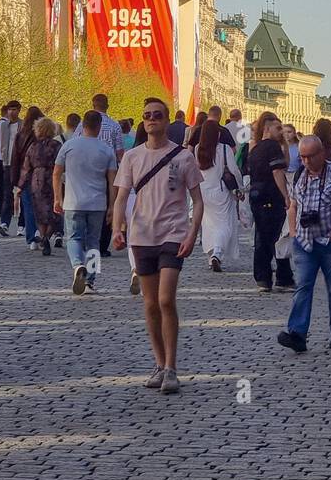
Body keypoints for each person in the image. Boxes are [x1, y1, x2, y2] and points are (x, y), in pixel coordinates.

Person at [111, 97, 205, 394]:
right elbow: (121, 197)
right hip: (141, 236)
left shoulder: (183, 157)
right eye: (147, 115)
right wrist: (117, 229)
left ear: (166, 121)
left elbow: (198, 201)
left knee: (166, 299)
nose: (152, 119)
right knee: (150, 304)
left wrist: (192, 234)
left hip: (173, 233)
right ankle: (159, 362)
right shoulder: (132, 157)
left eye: (157, 115)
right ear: (143, 121)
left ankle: (172, 367)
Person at [278, 135, 331, 352]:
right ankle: (297, 333)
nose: (306, 162)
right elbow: (294, 205)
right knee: (303, 287)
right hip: (305, 243)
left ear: (322, 153)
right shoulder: (300, 175)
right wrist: (294, 232)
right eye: (303, 157)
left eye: (310, 157)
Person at [53, 109, 117, 295]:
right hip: (97, 203)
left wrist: (58, 197)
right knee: (93, 242)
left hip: (73, 201)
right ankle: (90, 281)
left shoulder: (69, 146)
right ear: (99, 126)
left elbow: (56, 172)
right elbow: (112, 180)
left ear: (83, 125)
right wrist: (113, 205)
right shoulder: (106, 149)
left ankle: (77, 265)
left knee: (73, 238)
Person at [246, 112, 294, 293]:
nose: (281, 131)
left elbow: (284, 165)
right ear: (267, 128)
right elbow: (278, 172)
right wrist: (286, 196)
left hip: (256, 194)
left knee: (263, 235)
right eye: (278, 128)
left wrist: (286, 146)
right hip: (271, 194)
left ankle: (263, 278)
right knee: (277, 238)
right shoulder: (272, 147)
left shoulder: (256, 148)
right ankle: (283, 277)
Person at [195, 118, 241, 273]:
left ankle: (210, 256)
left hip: (203, 191)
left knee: (208, 224)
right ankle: (217, 253)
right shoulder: (224, 149)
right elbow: (233, 170)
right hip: (221, 191)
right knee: (224, 224)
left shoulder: (197, 149)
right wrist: (239, 187)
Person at [17, 117, 61, 256]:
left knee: (40, 213)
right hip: (53, 178)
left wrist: (20, 186)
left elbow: (26, 168)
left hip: (36, 180)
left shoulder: (33, 146)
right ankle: (47, 237)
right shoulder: (56, 145)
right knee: (55, 212)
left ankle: (43, 237)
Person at [11, 106, 44, 246]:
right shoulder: (44, 135)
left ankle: (31, 238)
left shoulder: (20, 134)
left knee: (28, 206)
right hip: (42, 174)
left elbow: (15, 158)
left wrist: (15, 180)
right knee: (42, 205)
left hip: (24, 174)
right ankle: (41, 232)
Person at [0, 101, 21, 235]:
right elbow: (2, 144)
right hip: (7, 162)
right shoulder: (3, 126)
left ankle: (22, 225)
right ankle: (4, 223)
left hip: (19, 163)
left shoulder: (23, 125)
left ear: (19, 110)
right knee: (7, 194)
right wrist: (3, 158)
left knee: (22, 194)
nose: (12, 112)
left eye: (14, 109)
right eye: (10, 110)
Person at [76, 93, 125, 165]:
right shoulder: (115, 126)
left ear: (93, 106)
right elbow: (119, 152)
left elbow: (74, 143)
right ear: (107, 106)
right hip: (108, 166)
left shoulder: (82, 124)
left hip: (86, 164)